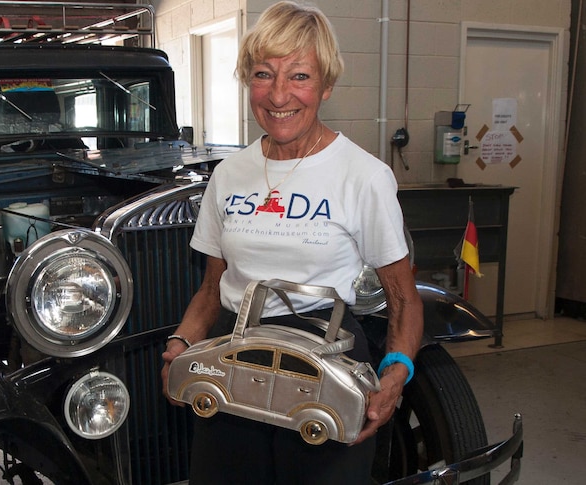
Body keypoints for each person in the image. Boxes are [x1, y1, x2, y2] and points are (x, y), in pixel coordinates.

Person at [160, 2, 424, 483]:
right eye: (264, 74)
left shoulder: (364, 176)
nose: (279, 94)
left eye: (299, 76)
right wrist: (182, 342)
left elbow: (403, 297)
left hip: (324, 358)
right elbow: (211, 288)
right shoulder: (228, 175)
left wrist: (396, 372)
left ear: (326, 86)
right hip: (234, 356)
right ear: (247, 82)